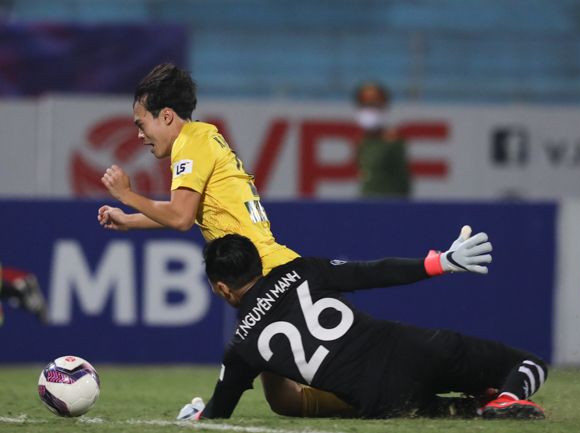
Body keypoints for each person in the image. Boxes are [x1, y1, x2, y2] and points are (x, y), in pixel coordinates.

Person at [96, 63, 352, 417]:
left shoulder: (191, 144)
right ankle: (368, 403)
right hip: (273, 274)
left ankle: (382, 398)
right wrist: (129, 221)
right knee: (283, 398)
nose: (139, 135)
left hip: (271, 279)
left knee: (323, 376)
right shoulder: (201, 138)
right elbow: (186, 212)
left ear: (166, 116)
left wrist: (127, 196)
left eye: (141, 124)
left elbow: (180, 217)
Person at [177, 228, 548, 420]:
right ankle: (508, 399)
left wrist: (193, 417)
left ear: (222, 288)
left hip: (382, 401)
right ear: (259, 263)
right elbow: (374, 272)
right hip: (412, 350)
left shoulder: (241, 347)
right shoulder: (302, 270)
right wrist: (440, 263)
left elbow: (217, 413)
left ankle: (484, 408)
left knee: (467, 413)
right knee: (527, 363)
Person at [354, 82, 411, 198]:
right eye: (365, 104)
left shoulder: (393, 143)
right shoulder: (361, 142)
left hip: (388, 203)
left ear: (384, 105)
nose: (370, 109)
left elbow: (403, 183)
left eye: (374, 104)